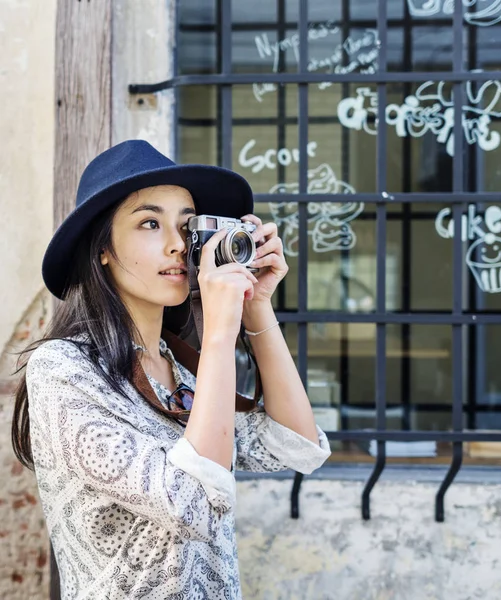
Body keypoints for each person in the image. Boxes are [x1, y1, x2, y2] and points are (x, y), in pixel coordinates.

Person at [11, 140, 331, 599]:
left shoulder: (181, 375)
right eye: (149, 223)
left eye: (187, 226)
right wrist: (219, 333)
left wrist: (256, 307)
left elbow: (295, 445)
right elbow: (196, 502)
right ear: (102, 248)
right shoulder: (64, 370)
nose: (178, 244)